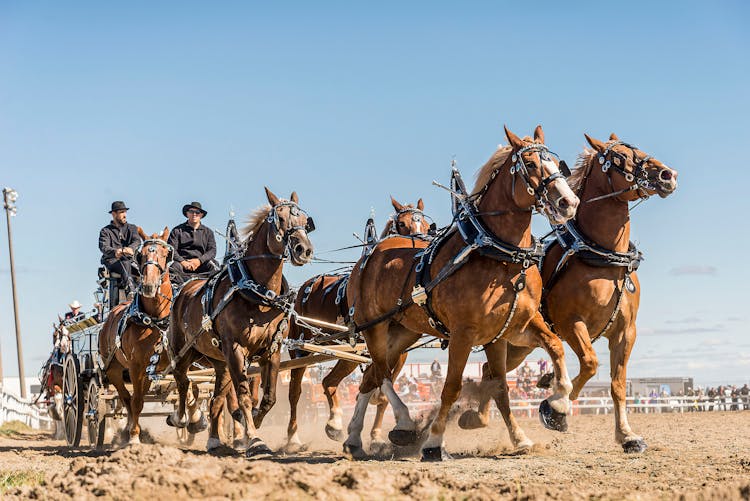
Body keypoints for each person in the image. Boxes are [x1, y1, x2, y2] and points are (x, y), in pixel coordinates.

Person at [168, 201, 218, 285]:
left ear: (201, 215)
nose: (194, 214)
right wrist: (183, 262)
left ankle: (212, 292)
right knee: (173, 268)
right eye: (191, 212)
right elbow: (171, 249)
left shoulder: (208, 232)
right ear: (187, 214)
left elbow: (212, 251)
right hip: (182, 265)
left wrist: (199, 261)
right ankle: (177, 293)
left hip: (202, 264)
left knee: (215, 266)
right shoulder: (177, 231)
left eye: (197, 212)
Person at [99, 201, 141, 293]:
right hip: (113, 261)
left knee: (148, 262)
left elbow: (137, 240)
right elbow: (103, 247)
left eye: (125, 212)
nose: (125, 215)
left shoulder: (132, 228)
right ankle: (130, 291)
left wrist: (131, 248)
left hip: (131, 259)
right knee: (125, 263)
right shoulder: (105, 231)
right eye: (121, 212)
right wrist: (115, 252)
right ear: (114, 214)